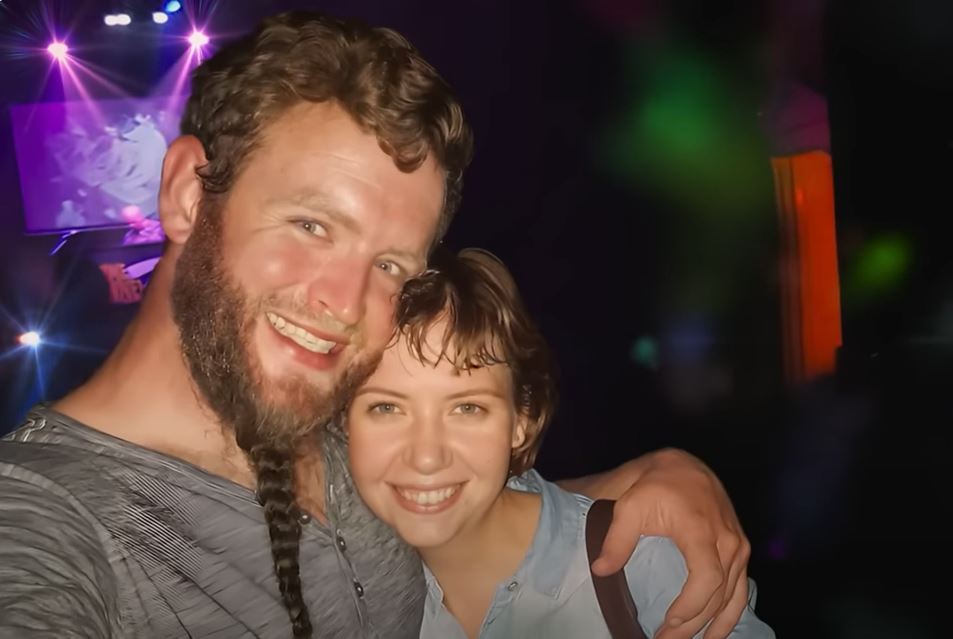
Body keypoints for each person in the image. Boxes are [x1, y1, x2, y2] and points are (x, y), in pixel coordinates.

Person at [1, 10, 749, 639]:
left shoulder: (346, 431)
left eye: (391, 264)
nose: (346, 300)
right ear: (189, 196)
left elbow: (456, 497)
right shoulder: (45, 515)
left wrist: (637, 486)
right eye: (311, 224)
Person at [346, 248, 774, 639]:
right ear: (342, 424)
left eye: (467, 409)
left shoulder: (642, 566)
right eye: (386, 408)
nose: (425, 455)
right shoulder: (341, 592)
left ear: (522, 420)